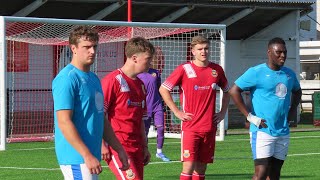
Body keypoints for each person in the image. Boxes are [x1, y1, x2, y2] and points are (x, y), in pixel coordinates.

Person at [52, 26, 129, 180]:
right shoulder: (66, 78)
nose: (92, 51)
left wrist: (118, 148)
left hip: (89, 155)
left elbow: (101, 118)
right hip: (76, 157)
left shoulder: (93, 78)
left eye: (94, 46)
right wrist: (86, 154)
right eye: (86, 47)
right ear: (73, 48)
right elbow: (64, 121)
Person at [229, 37, 302, 180]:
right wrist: (250, 116)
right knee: (261, 173)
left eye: (285, 52)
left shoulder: (289, 74)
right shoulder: (256, 72)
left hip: (282, 130)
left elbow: (297, 91)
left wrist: (292, 111)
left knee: (274, 174)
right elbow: (234, 91)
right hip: (262, 130)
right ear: (269, 52)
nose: (283, 56)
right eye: (278, 52)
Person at [159, 35, 230, 180]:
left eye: (206, 48)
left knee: (201, 168)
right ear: (193, 51)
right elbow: (163, 89)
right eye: (200, 49)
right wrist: (177, 111)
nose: (203, 52)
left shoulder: (216, 70)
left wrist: (222, 112)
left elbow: (228, 91)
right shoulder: (184, 69)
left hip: (209, 127)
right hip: (191, 127)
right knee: (188, 167)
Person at [101, 36, 155, 179]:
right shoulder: (113, 81)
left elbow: (141, 121)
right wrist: (101, 144)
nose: (151, 62)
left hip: (136, 147)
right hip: (118, 146)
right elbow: (98, 114)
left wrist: (144, 146)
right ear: (134, 58)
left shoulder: (140, 85)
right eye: (148, 58)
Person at [137, 67, 170, 162]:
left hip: (157, 105)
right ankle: (144, 151)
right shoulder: (138, 74)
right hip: (146, 106)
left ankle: (159, 152)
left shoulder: (155, 72)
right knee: (145, 131)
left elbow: (160, 88)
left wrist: (162, 102)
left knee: (161, 128)